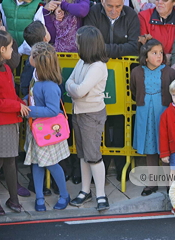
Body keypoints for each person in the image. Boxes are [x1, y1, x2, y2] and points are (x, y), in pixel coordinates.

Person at [84, 0, 140, 180]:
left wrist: (103, 51)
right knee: (98, 121)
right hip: (96, 77)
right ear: (102, 2)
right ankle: (101, 165)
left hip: (122, 78)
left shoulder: (130, 14)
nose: (114, 10)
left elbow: (133, 47)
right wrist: (116, 51)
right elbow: (88, 43)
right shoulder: (93, 13)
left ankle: (121, 165)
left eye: (118, 6)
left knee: (120, 120)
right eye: (110, 6)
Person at [66, 26, 110, 211]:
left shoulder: (98, 66)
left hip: (92, 115)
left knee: (93, 156)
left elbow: (78, 89)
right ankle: (85, 191)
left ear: (87, 45)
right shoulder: (82, 62)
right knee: (83, 155)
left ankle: (101, 194)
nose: (76, 44)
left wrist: (74, 90)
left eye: (78, 41)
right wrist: (75, 89)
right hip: (79, 112)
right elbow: (69, 82)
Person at [23, 42, 70, 212]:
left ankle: (64, 195)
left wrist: (29, 110)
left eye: (32, 55)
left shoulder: (49, 85)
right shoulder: (36, 75)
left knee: (51, 164)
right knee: (36, 164)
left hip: (47, 132)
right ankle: (40, 197)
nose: (29, 56)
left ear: (38, 61)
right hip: (37, 130)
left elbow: (52, 110)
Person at [130, 38, 175, 196]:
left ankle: (169, 182)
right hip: (145, 114)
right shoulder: (137, 72)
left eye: (161, 53)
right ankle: (152, 183)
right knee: (150, 148)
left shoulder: (170, 72)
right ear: (145, 56)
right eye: (154, 53)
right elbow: (133, 90)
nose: (159, 56)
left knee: (166, 148)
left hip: (163, 114)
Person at [0, 30, 30, 216]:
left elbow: (10, 94)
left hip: (11, 121)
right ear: (1, 50)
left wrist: (21, 103)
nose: (12, 51)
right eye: (10, 48)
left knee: (10, 162)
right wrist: (16, 105)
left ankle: (13, 199)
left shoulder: (7, 68)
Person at [138, 0, 175, 65]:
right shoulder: (144, 16)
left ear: (174, 2)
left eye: (165, 0)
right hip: (151, 67)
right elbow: (143, 48)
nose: (160, 2)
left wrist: (174, 58)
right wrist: (164, 58)